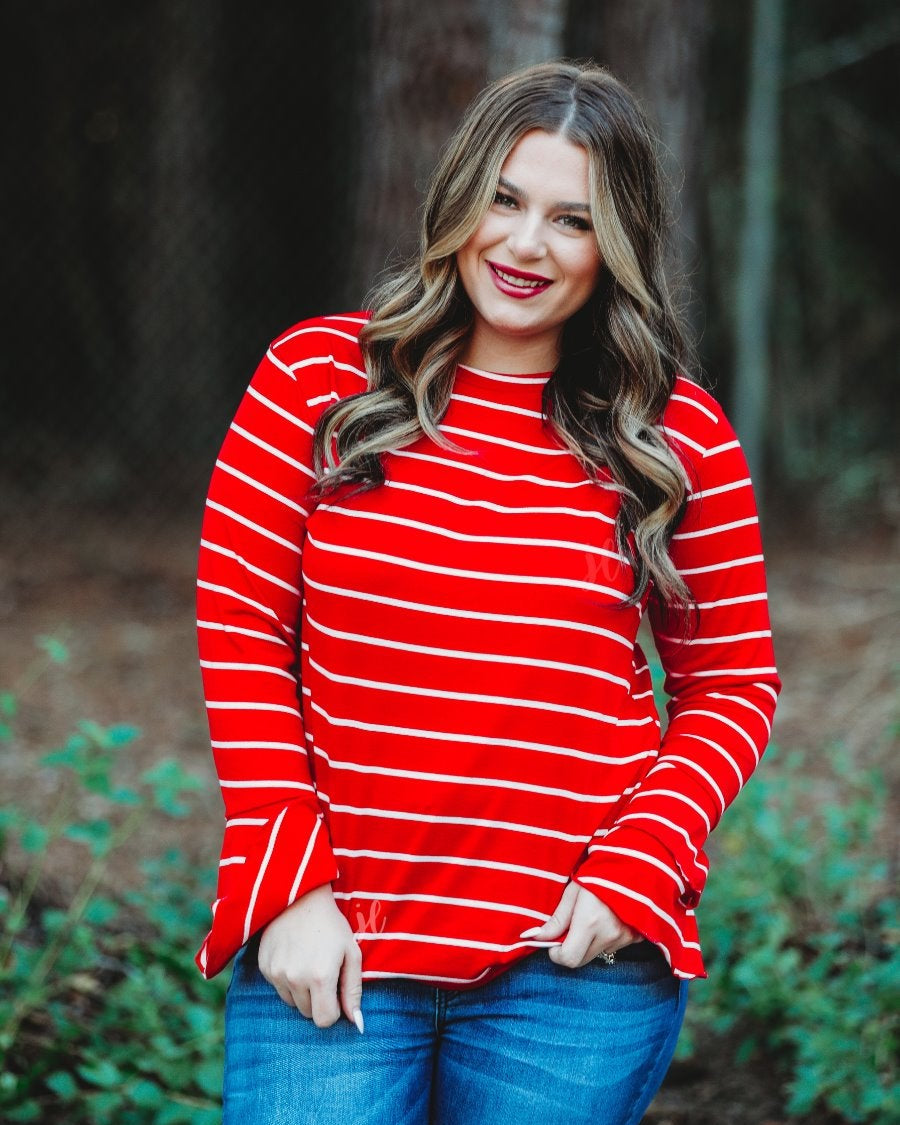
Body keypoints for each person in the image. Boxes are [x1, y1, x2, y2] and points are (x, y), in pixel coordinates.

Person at [195, 60, 780, 1125]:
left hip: (569, 965)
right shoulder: (316, 381)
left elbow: (733, 684)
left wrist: (635, 872)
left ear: (618, 244)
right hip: (334, 947)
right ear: (457, 199)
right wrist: (288, 887)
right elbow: (241, 631)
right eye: (504, 200)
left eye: (571, 219)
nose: (522, 245)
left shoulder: (675, 435)